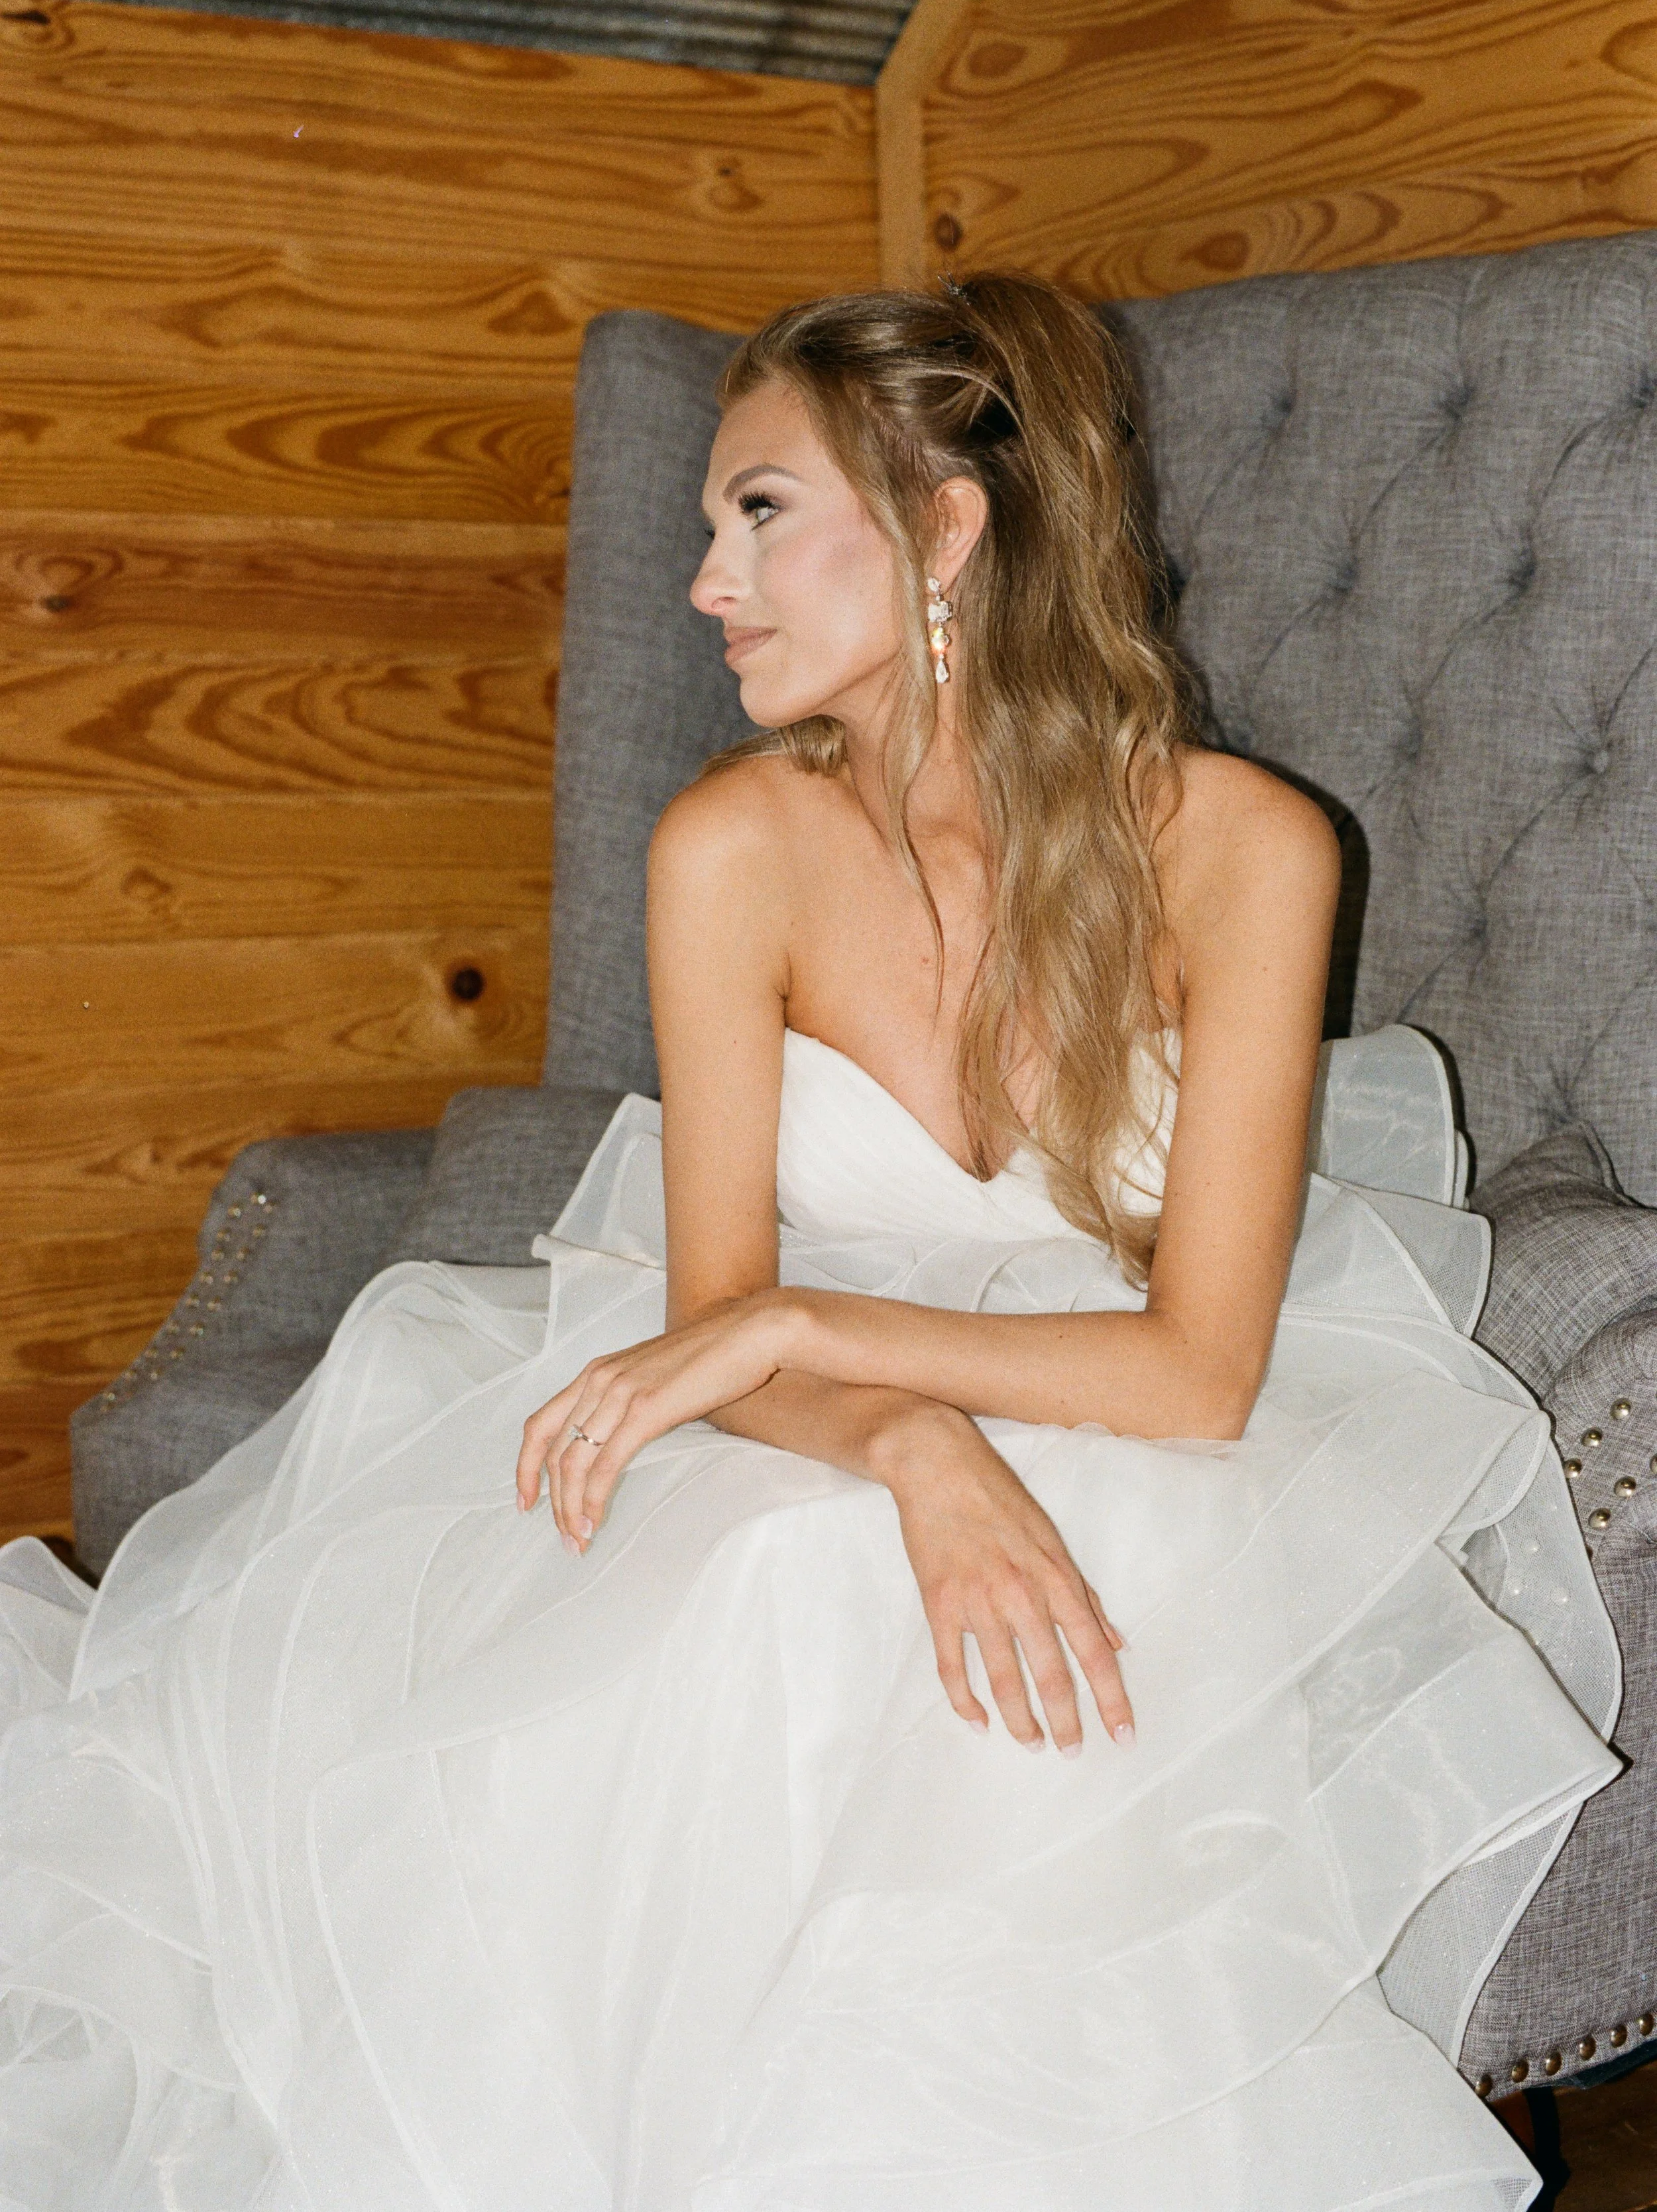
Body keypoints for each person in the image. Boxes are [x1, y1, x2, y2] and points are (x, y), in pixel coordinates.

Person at [0, 277, 1619, 2211]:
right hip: (796, 1422)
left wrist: (806, 1334)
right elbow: (709, 1326)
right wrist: (909, 1446)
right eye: (707, 526)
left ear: (946, 532)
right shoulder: (728, 849)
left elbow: (1193, 1371)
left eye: (757, 513)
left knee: (907, 1602)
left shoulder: (1244, 848)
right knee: (777, 1565)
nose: (707, 582)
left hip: (1136, 1420)